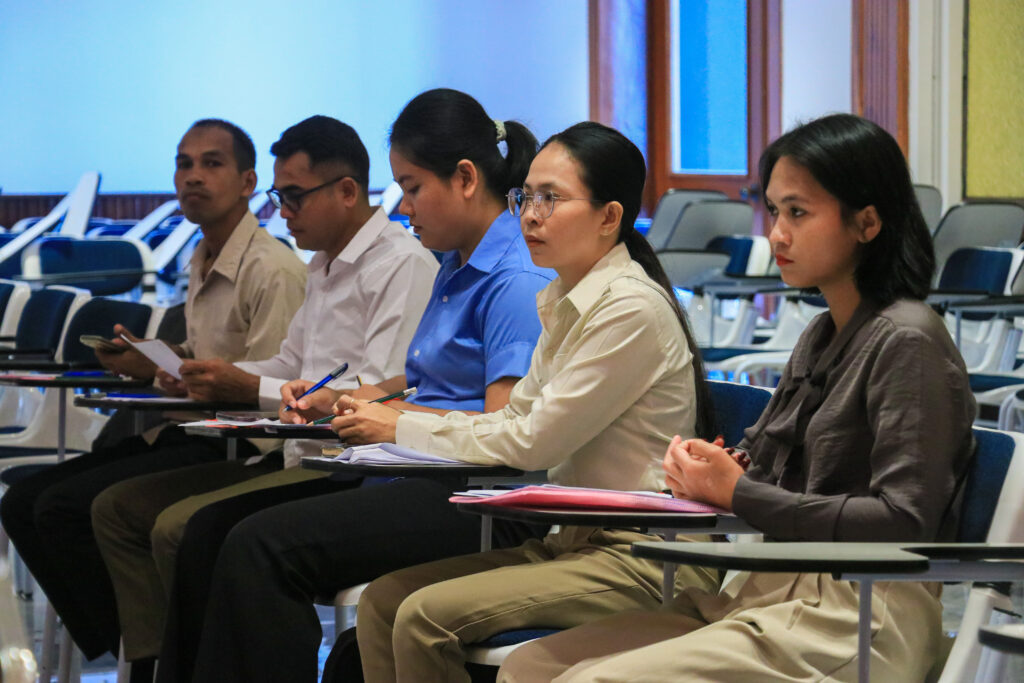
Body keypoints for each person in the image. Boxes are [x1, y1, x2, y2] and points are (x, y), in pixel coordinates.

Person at [498, 114, 977, 682]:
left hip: (856, 612)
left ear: (867, 222)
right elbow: (761, 463)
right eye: (773, 211)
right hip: (766, 587)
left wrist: (738, 491)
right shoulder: (822, 333)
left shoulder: (907, 339)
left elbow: (904, 521)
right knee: (529, 667)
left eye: (798, 213)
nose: (777, 234)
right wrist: (710, 470)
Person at [179, 88, 554, 683]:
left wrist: (394, 421)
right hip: (417, 470)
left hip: (476, 497)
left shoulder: (513, 278)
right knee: (218, 530)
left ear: (464, 178)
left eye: (412, 187)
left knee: (261, 545)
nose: (404, 207)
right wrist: (355, 398)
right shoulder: (457, 262)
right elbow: (430, 379)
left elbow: (502, 433)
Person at [344, 121, 718, 683]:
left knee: (422, 616)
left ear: (609, 217)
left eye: (552, 199)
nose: (530, 215)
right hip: (569, 541)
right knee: (382, 600)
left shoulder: (630, 309)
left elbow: (532, 443)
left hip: (642, 556)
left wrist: (397, 427)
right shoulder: (564, 297)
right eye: (526, 196)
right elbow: (516, 418)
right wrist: (400, 421)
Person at [89, 115, 440, 668]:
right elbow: (290, 364)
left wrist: (250, 385)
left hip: (352, 468)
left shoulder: (400, 264)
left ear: (347, 191)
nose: (283, 211)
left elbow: (376, 393)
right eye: (279, 197)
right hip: (305, 454)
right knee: (176, 522)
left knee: (202, 531)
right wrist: (216, 374)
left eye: (294, 196)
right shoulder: (323, 264)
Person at [0, 118, 306, 665]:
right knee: (25, 503)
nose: (192, 176)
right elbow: (207, 355)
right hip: (189, 427)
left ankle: (149, 654)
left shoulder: (273, 269)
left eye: (211, 163)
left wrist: (202, 378)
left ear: (248, 182)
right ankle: (138, 645)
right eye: (183, 164)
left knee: (70, 508)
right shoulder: (202, 256)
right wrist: (152, 362)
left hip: (241, 445)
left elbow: (273, 385)